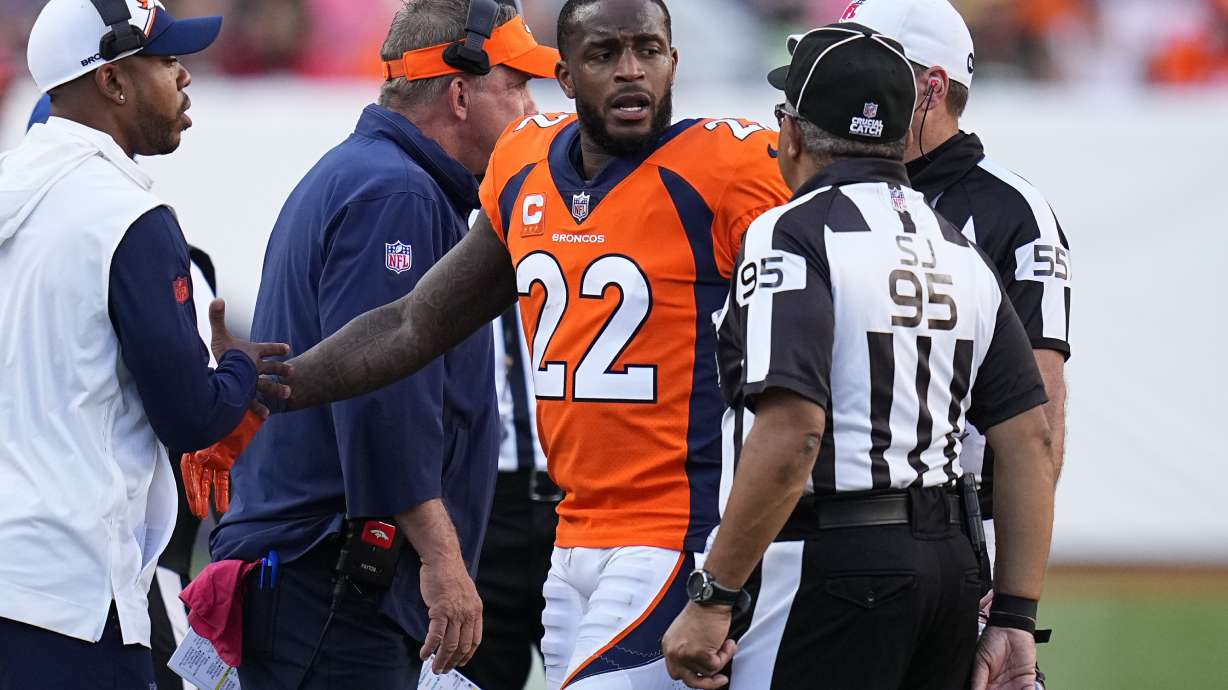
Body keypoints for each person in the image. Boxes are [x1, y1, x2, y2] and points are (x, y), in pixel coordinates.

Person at [222, 1, 791, 686]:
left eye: (649, 50)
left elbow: (829, 289)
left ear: (675, 60)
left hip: (673, 532)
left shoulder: (728, 163)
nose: (631, 70)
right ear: (568, 76)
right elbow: (412, 324)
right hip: (572, 539)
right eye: (605, 54)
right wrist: (268, 390)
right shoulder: (525, 166)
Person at [661, 23, 1058, 690]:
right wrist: (1015, 614)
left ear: (791, 132)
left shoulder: (791, 231)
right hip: (952, 565)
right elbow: (1030, 441)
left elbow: (793, 433)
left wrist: (713, 594)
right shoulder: (959, 247)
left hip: (835, 558)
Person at [206, 2, 558, 688]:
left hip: (319, 574)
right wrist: (445, 562)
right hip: (333, 576)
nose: (530, 109)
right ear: (459, 94)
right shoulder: (399, 194)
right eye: (515, 86)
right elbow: (382, 400)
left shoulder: (376, 176)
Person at [0, 1, 290, 688]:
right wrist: (239, 372)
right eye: (164, 60)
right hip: (69, 596)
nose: (183, 76)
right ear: (112, 81)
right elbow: (191, 415)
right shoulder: (124, 212)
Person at [846, 3, 1070, 679]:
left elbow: (1039, 416)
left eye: (868, 64)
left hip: (954, 527)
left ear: (931, 88)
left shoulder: (1010, 209)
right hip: (838, 527)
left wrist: (1010, 598)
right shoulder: (830, 193)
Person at [459, 303, 561, 690]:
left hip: (572, 499)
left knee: (589, 670)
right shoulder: (449, 263)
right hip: (485, 506)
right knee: (474, 670)